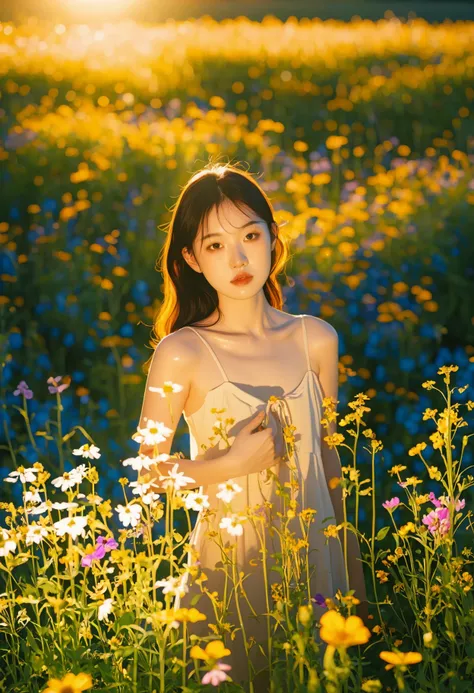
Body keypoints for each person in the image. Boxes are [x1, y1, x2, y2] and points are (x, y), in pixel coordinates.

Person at [137, 162, 368, 690]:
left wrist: (353, 573)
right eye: (214, 246)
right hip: (228, 575)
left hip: (316, 566)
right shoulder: (182, 352)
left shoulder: (317, 340)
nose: (238, 258)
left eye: (249, 235)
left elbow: (330, 462)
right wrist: (229, 465)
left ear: (273, 239)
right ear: (191, 260)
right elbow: (145, 476)